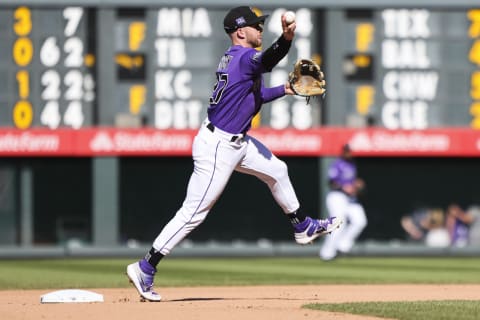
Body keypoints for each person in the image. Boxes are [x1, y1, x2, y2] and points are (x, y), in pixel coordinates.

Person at [126, 6, 342, 302]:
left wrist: (287, 89)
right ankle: (145, 267)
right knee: (193, 213)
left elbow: (256, 95)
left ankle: (303, 226)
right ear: (241, 32)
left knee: (277, 170)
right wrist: (287, 38)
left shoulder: (238, 60)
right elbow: (268, 59)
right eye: (256, 26)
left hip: (236, 143)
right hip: (218, 147)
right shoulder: (244, 57)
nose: (260, 30)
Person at [319, 144, 367, 261]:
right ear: (343, 152)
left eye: (350, 151)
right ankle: (327, 253)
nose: (349, 153)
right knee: (339, 224)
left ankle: (342, 245)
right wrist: (344, 187)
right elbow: (331, 182)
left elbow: (351, 183)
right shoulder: (337, 164)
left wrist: (356, 185)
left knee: (360, 221)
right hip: (337, 196)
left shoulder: (352, 165)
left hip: (350, 199)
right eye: (347, 151)